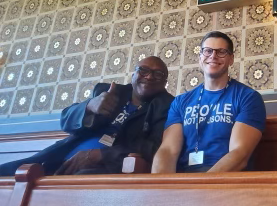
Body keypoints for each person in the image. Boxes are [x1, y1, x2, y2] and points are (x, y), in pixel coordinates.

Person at [0, 56, 174, 176]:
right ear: (134, 74)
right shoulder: (107, 92)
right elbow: (66, 120)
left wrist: (100, 155)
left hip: (107, 168)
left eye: (158, 74)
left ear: (165, 82)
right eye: (143, 70)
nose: (149, 76)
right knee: (8, 171)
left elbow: (155, 149)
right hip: (60, 156)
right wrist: (89, 107)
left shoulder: (168, 107)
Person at [152, 31, 266, 173]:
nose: (213, 56)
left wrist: (202, 185)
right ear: (200, 57)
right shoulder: (180, 102)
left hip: (225, 182)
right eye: (208, 51)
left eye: (221, 52)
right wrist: (161, 189)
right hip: (182, 182)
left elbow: (239, 154)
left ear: (231, 59)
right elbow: (168, 151)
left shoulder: (248, 97)